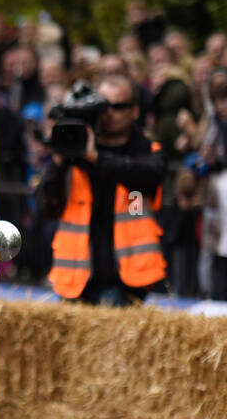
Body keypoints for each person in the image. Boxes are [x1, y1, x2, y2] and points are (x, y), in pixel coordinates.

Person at [41, 74, 167, 305]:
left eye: (118, 106)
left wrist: (95, 158)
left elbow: (145, 176)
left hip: (125, 281)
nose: (109, 113)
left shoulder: (148, 151)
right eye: (103, 106)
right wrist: (58, 160)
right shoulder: (73, 150)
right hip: (77, 279)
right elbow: (45, 206)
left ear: (135, 111)